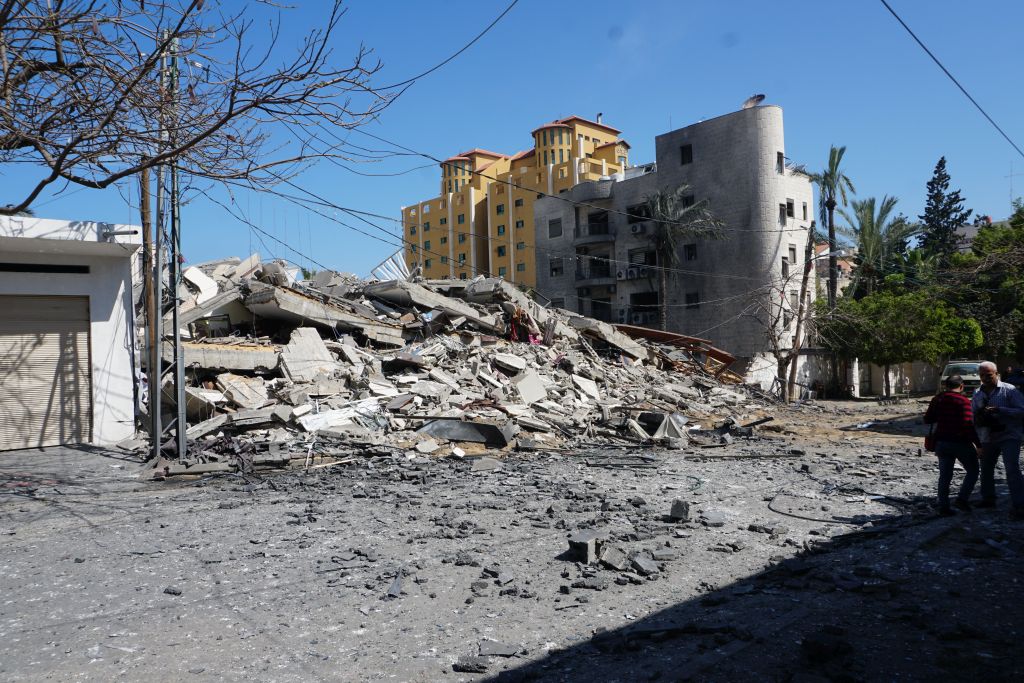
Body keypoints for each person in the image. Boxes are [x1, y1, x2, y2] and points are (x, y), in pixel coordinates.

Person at [971, 361, 1024, 519]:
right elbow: (973, 415)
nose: (986, 378)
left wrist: (1000, 410)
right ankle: (988, 499)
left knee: (1012, 469)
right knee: (986, 469)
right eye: (982, 376)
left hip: (1009, 435)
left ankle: (1019, 505)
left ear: (996, 374)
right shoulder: (977, 393)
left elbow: (1021, 411)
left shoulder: (1010, 390)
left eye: (989, 375)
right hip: (987, 436)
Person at [924, 375, 980, 515]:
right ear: (961, 386)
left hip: (941, 442)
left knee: (945, 476)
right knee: (973, 471)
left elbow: (928, 419)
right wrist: (978, 445)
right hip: (961, 443)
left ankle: (944, 507)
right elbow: (968, 424)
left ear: (945, 386)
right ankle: (962, 499)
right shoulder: (963, 400)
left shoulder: (937, 399)